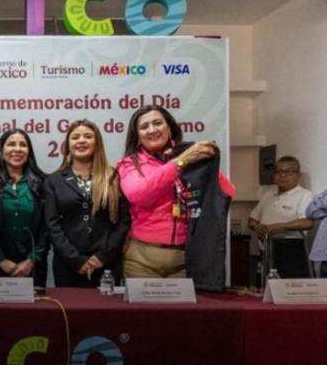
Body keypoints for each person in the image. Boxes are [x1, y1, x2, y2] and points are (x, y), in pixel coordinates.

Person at [117, 105, 229, 279]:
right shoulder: (129, 164)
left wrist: (206, 164)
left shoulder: (191, 156)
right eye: (144, 126)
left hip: (187, 256)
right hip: (142, 259)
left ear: (170, 129)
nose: (152, 130)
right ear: (137, 136)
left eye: (157, 123)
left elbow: (226, 192)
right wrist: (179, 162)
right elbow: (138, 195)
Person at [44, 120, 129, 287]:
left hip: (107, 263)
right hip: (68, 265)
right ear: (67, 145)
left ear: (97, 142)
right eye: (75, 137)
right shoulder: (53, 181)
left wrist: (103, 256)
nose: (81, 140)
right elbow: (52, 224)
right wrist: (75, 259)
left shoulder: (114, 177)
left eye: (88, 136)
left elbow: (124, 220)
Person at [0, 129, 48, 287]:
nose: (17, 149)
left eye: (23, 145)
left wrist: (31, 260)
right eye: (11, 144)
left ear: (29, 151)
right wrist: (0, 259)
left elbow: (47, 227)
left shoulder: (43, 183)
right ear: (1, 150)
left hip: (32, 268)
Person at [248, 156, 313, 278]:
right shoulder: (268, 194)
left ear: (298, 175)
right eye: (279, 172)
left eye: (289, 172)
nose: (283, 175)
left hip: (291, 255)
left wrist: (274, 228)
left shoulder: (305, 195)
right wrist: (257, 227)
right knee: (263, 289)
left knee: (287, 289)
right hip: (265, 254)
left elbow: (307, 222)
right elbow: (252, 219)